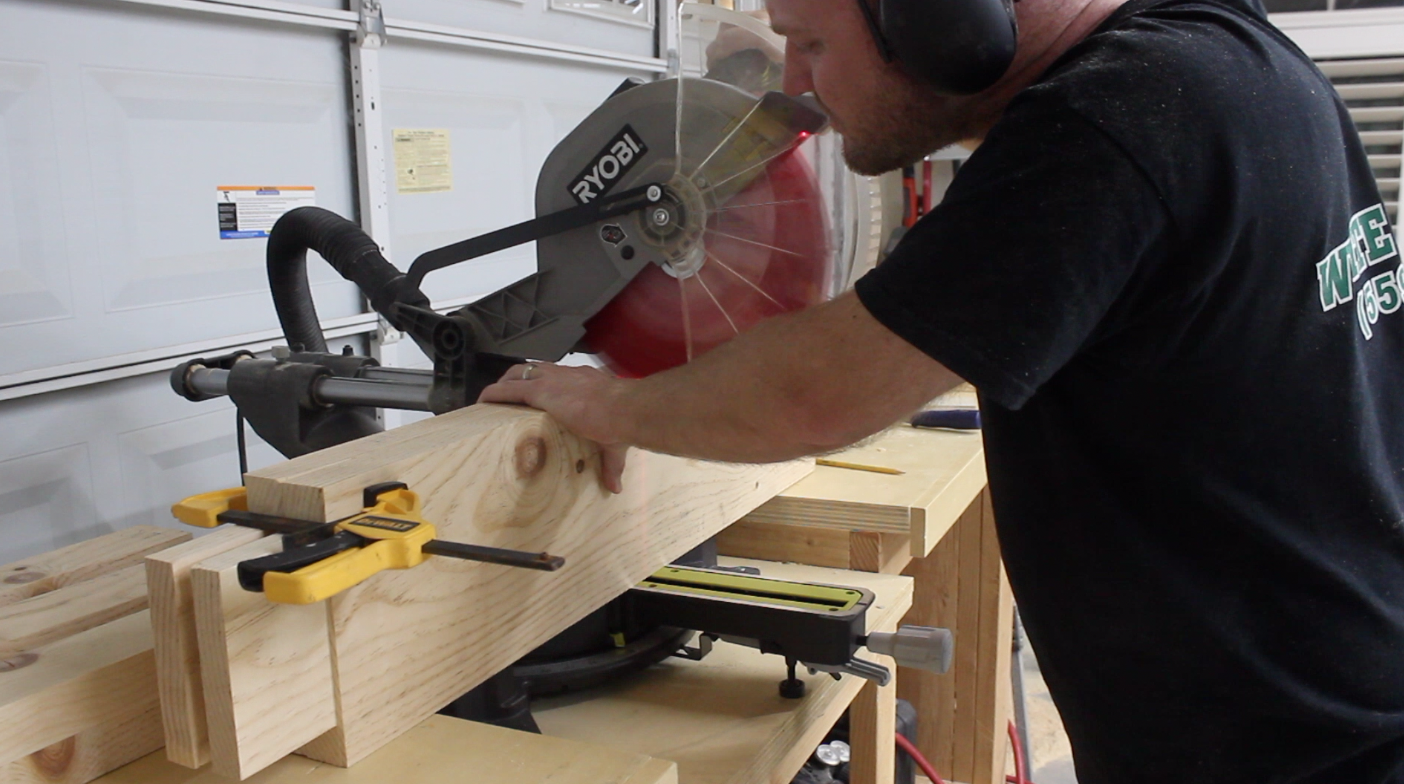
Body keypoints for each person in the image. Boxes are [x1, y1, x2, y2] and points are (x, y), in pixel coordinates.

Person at [480, 0, 1404, 779]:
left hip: (1296, 749)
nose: (798, 80)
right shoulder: (1228, 51)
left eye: (811, 39)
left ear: (934, 13)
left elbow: (821, 391)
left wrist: (609, 405)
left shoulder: (1113, 119)